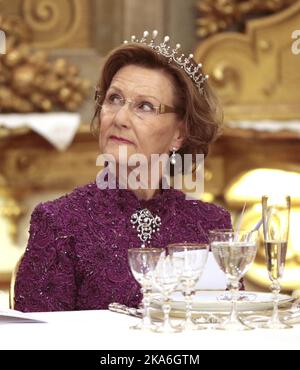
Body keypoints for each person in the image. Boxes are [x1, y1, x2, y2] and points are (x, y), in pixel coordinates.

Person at [14, 30, 232, 312]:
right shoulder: (59, 224)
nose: (120, 118)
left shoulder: (211, 225)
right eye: (114, 99)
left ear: (180, 133)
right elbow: (34, 340)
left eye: (145, 106)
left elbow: (232, 329)